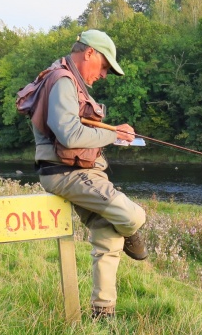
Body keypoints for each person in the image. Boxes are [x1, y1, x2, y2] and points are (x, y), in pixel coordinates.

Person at [31, 29, 147, 319]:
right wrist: (113, 135)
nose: (104, 74)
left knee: (107, 235)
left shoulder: (68, 81)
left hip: (82, 173)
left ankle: (102, 312)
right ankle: (131, 232)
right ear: (90, 53)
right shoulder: (63, 81)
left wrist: (112, 134)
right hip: (67, 173)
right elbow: (69, 136)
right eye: (105, 66)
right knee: (132, 216)